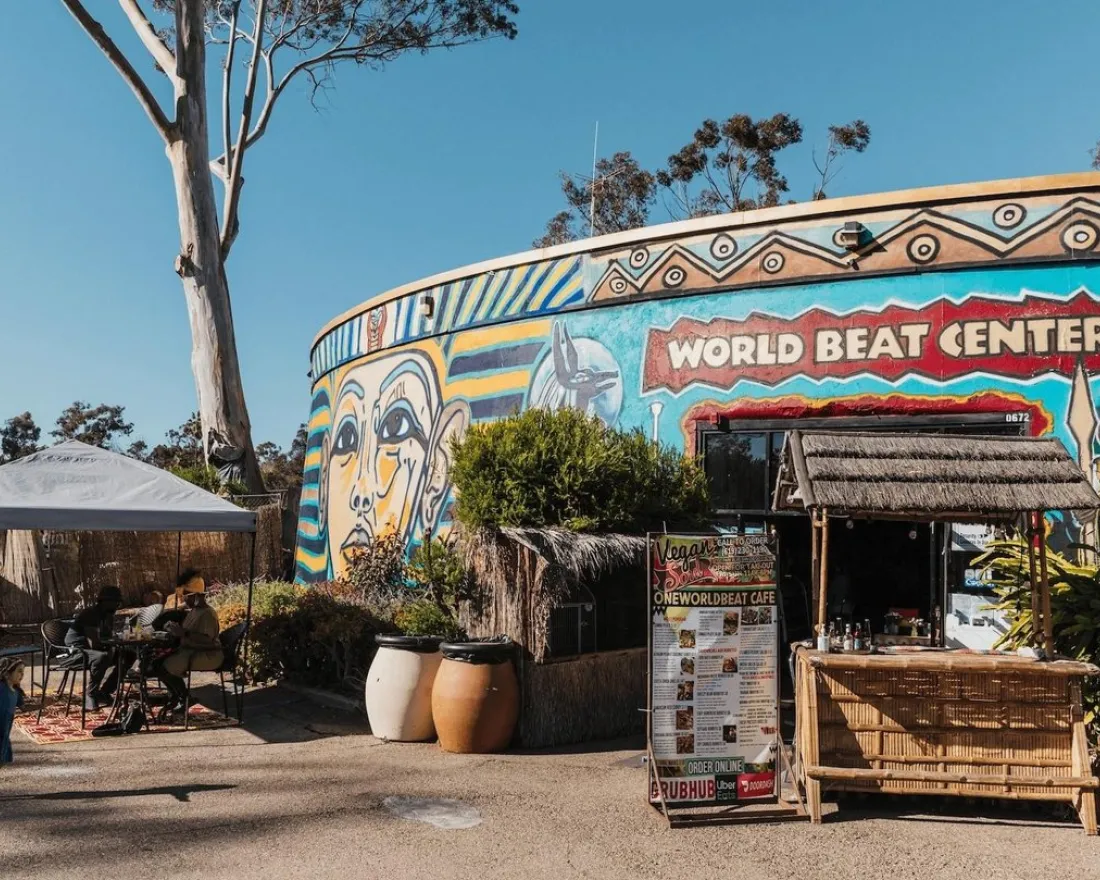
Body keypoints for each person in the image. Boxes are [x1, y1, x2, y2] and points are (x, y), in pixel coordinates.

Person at [155, 574, 223, 719]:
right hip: (191, 651)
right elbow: (187, 632)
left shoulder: (207, 614)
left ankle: (183, 698)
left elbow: (207, 640)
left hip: (208, 654)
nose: (184, 599)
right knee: (156, 663)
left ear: (197, 596)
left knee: (163, 666)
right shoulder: (195, 611)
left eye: (187, 596)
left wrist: (183, 633)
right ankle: (178, 697)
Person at [65, 585, 127, 711]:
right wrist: (112, 646)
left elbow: (107, 637)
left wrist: (117, 643)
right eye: (115, 602)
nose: (117, 606)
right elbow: (95, 643)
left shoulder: (108, 615)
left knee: (128, 655)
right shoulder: (90, 614)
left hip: (93, 650)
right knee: (102, 657)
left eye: (118, 603)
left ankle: (105, 691)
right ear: (105, 602)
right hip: (76, 652)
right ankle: (91, 693)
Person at [0, 658, 26, 765]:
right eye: (19, 671)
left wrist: (45, 704)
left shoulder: (16, 692)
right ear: (7, 674)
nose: (22, 675)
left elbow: (24, 707)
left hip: (4, 735)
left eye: (23, 671)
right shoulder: (1, 688)